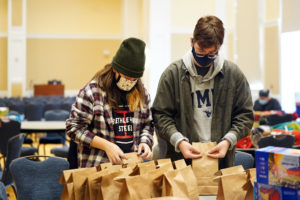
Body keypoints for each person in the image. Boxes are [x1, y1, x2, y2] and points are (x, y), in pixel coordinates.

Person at [151, 15, 254, 168]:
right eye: (200, 50)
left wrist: (228, 140)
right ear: (192, 42)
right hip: (181, 161)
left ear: (219, 47)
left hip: (221, 160)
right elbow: (160, 115)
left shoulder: (233, 74)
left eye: (212, 53)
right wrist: (179, 141)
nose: (205, 58)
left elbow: (245, 116)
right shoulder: (172, 74)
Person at [66, 37, 154, 168]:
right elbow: (73, 128)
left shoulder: (142, 94)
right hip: (98, 168)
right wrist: (106, 145)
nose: (130, 81)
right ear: (115, 69)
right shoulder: (92, 92)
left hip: (131, 168)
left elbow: (147, 124)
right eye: (126, 76)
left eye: (135, 78)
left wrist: (145, 142)